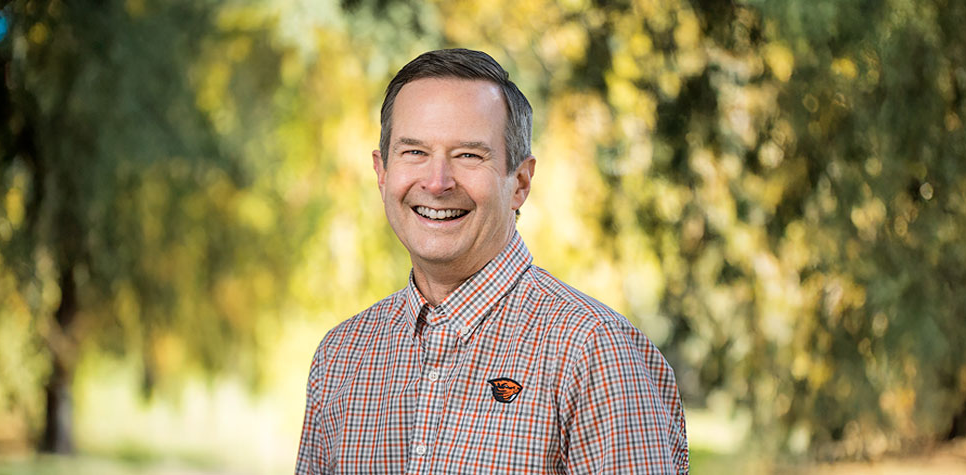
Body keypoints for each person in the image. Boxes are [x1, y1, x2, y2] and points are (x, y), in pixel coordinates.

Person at [295, 48, 688, 474]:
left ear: (520, 182)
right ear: (382, 172)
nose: (437, 182)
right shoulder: (341, 357)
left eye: (468, 155)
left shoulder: (593, 352)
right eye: (414, 152)